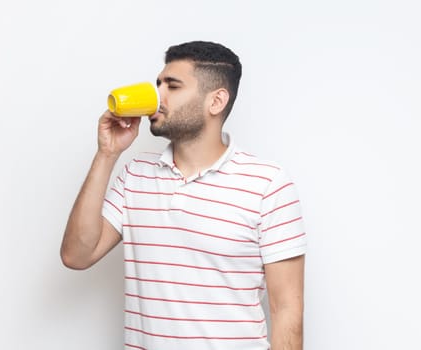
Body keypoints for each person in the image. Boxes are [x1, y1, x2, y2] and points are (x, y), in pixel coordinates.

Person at [61, 41, 307, 350]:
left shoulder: (268, 185)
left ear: (216, 101)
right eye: (158, 84)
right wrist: (107, 154)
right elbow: (77, 256)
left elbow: (287, 314)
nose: (156, 98)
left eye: (172, 87)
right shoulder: (135, 174)